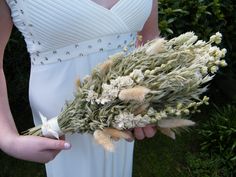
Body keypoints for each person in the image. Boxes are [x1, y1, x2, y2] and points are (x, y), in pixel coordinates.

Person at [0, 0, 160, 177]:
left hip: (122, 119)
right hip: (62, 133)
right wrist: (8, 139)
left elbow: (150, 41)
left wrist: (153, 102)